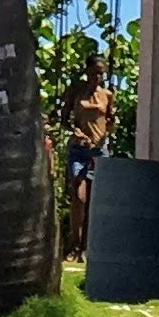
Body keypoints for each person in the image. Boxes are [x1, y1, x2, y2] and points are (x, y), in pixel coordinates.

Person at [62, 39, 113, 253]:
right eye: (94, 73)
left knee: (95, 199)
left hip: (98, 150)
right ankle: (76, 243)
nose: (97, 77)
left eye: (101, 74)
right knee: (79, 195)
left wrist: (107, 131)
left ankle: (87, 247)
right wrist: (76, 131)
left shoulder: (107, 95)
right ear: (87, 71)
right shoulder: (76, 90)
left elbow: (110, 120)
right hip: (79, 148)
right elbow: (64, 119)